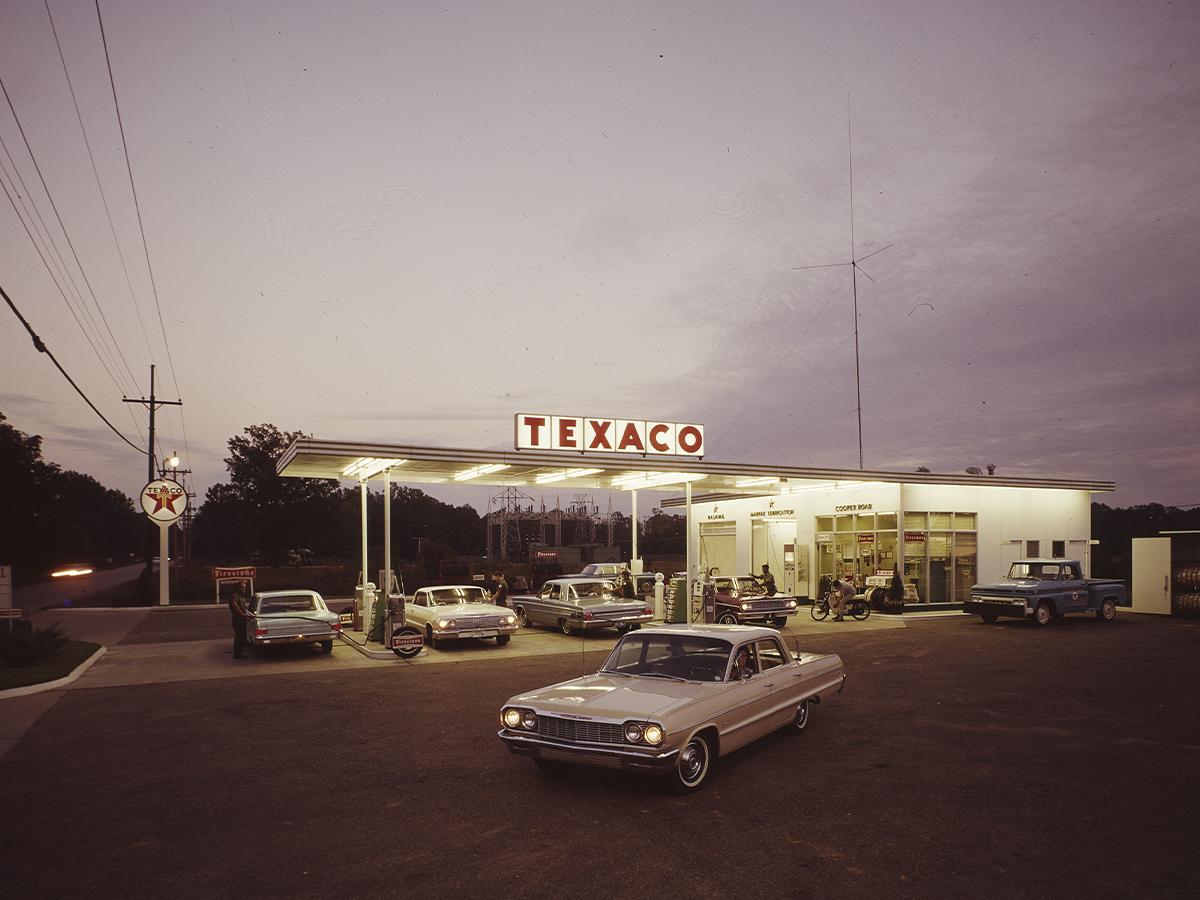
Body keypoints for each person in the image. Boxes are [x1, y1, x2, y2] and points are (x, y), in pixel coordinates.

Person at [229, 584, 251, 659]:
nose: (244, 589)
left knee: (242, 636)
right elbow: (234, 603)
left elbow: (243, 608)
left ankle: (240, 652)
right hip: (238, 619)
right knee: (239, 637)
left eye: (245, 587)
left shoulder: (240, 597)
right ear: (237, 588)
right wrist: (242, 614)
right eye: (242, 587)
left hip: (241, 619)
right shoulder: (235, 596)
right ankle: (237, 655)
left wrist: (246, 615)